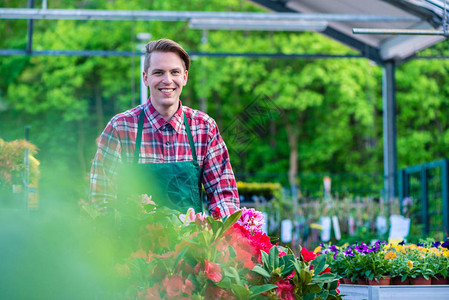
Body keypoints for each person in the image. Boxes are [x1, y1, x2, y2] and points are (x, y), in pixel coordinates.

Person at [89, 38, 239, 218]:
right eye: (158, 73)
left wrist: (218, 235)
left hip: (191, 244)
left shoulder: (204, 128)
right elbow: (102, 199)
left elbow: (223, 195)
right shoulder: (121, 128)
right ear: (146, 78)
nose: (167, 80)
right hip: (134, 243)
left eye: (175, 72)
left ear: (185, 77)